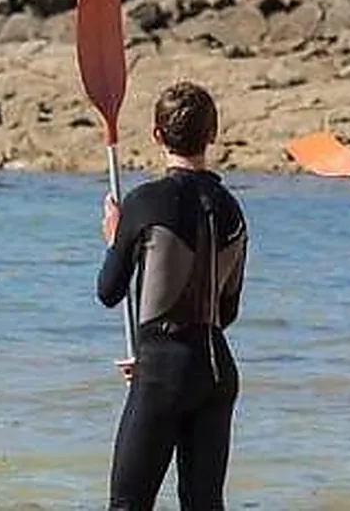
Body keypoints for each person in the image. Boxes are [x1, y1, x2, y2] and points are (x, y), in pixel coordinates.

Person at [97, 81, 249, 511]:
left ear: (157, 135)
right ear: (213, 134)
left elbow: (109, 291)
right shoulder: (232, 208)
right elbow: (227, 311)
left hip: (164, 374)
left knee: (127, 505)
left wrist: (115, 239)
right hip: (217, 373)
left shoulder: (144, 202)